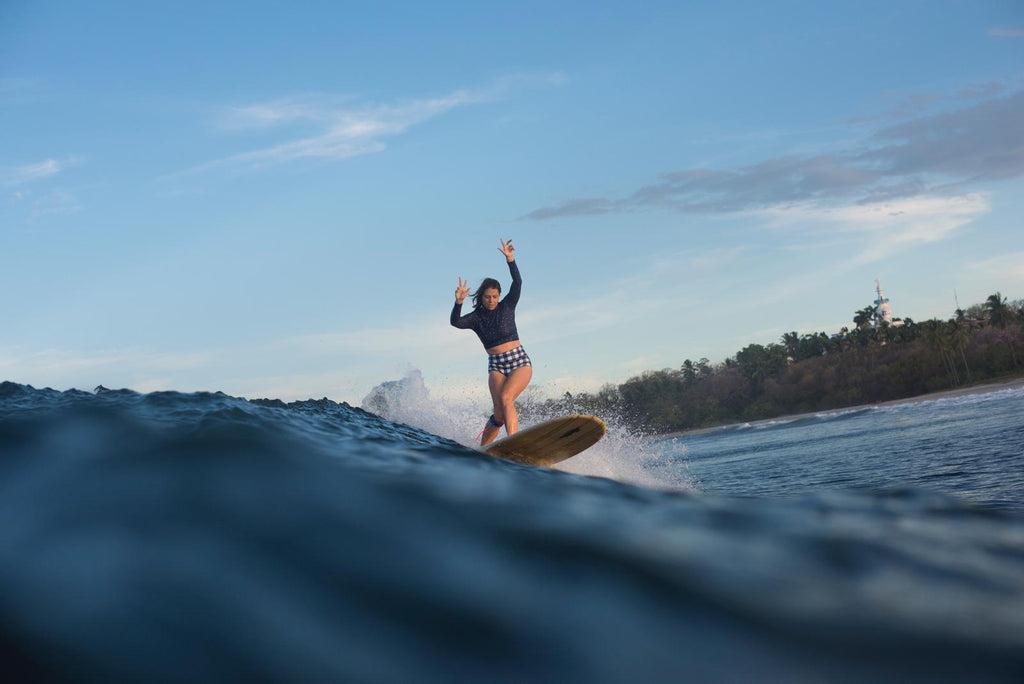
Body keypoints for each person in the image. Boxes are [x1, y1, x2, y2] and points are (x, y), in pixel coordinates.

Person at [450, 238, 533, 446]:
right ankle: (484, 449)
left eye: (495, 296)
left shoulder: (507, 306)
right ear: (482, 297)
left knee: (506, 398)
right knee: (498, 413)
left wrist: (511, 260)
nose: (492, 300)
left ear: (499, 296)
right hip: (496, 365)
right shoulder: (476, 318)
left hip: (519, 361)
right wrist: (458, 302)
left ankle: (513, 441)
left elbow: (518, 283)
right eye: (487, 297)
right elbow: (456, 322)